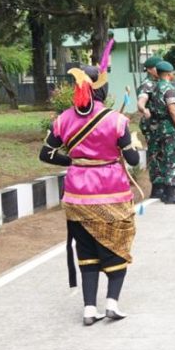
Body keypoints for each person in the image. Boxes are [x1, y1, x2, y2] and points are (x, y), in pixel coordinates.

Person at [41, 41, 142, 325]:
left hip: (77, 196)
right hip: (112, 194)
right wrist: (130, 143)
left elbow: (46, 153)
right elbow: (133, 160)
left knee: (85, 249)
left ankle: (88, 308)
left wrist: (74, 162)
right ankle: (111, 302)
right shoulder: (116, 121)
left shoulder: (62, 120)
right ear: (103, 89)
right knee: (117, 246)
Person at [146, 60, 175, 204]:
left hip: (159, 128)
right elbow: (173, 110)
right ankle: (171, 195)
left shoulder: (156, 87)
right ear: (170, 74)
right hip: (170, 128)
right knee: (174, 159)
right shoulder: (169, 89)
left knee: (164, 159)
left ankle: (165, 193)